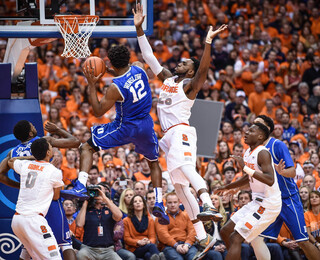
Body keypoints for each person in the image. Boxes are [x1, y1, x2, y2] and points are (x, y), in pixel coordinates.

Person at [133, 4, 226, 259]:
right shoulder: (167, 79)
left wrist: (207, 42)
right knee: (180, 187)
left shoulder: (189, 86)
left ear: (190, 70)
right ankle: (204, 236)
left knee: (187, 171)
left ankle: (208, 203)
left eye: (185, 62)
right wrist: (139, 29)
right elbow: (150, 57)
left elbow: (204, 71)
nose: (180, 62)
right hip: (169, 136)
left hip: (182, 132)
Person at [64, 41, 169, 225]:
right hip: (145, 125)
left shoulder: (115, 87)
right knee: (153, 163)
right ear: (128, 58)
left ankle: (81, 186)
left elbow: (97, 111)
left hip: (125, 127)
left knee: (88, 148)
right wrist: (111, 70)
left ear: (111, 63)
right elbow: (126, 73)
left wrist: (91, 84)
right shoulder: (140, 67)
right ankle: (160, 201)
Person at [0, 120, 81, 260]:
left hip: (28, 204)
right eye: (32, 126)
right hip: (48, 201)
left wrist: (20, 185)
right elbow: (75, 142)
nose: (34, 126)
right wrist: (58, 129)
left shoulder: (12, 153)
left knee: (27, 249)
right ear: (31, 132)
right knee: (65, 243)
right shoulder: (43, 142)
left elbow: (1, 174)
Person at [253, 115, 320, 260]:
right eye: (253, 124)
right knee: (255, 238)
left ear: (266, 129)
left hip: (287, 199)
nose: (254, 127)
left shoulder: (277, 145)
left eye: (258, 124)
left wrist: (281, 172)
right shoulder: (254, 151)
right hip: (271, 201)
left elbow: (293, 172)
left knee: (303, 241)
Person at [215, 123, 282, 260]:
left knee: (236, 237)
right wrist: (228, 187)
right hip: (256, 202)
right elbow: (248, 177)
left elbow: (269, 179)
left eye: (251, 131)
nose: (246, 133)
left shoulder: (263, 152)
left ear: (260, 136)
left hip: (268, 204)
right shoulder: (247, 153)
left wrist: (245, 168)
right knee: (225, 231)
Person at [8, 138, 64, 259]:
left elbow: (10, 161)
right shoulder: (54, 171)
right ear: (48, 153)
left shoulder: (25, 165)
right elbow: (56, 196)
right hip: (33, 220)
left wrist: (32, 158)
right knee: (55, 257)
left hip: (17, 220)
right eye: (50, 146)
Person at [75, 185, 123, 260]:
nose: (98, 194)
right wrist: (86, 201)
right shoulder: (86, 210)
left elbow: (119, 216)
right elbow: (79, 224)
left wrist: (105, 199)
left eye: (100, 191)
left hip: (108, 250)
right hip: (89, 249)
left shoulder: (109, 209)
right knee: (80, 255)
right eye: (96, 192)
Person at [155, 192, 197, 260]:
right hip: (169, 246)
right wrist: (176, 245)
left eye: (175, 202)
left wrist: (187, 245)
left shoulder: (186, 215)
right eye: (170, 202)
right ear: (166, 204)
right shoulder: (161, 217)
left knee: (193, 258)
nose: (172, 205)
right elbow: (163, 235)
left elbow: (192, 232)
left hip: (186, 245)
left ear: (179, 203)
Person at [123, 195, 160, 260]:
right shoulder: (126, 220)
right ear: (132, 205)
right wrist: (138, 242)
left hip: (147, 246)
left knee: (148, 255)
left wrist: (148, 241)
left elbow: (153, 237)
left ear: (144, 205)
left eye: (140, 201)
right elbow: (126, 238)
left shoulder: (150, 220)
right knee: (151, 246)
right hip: (133, 249)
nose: (138, 203)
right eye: (135, 201)